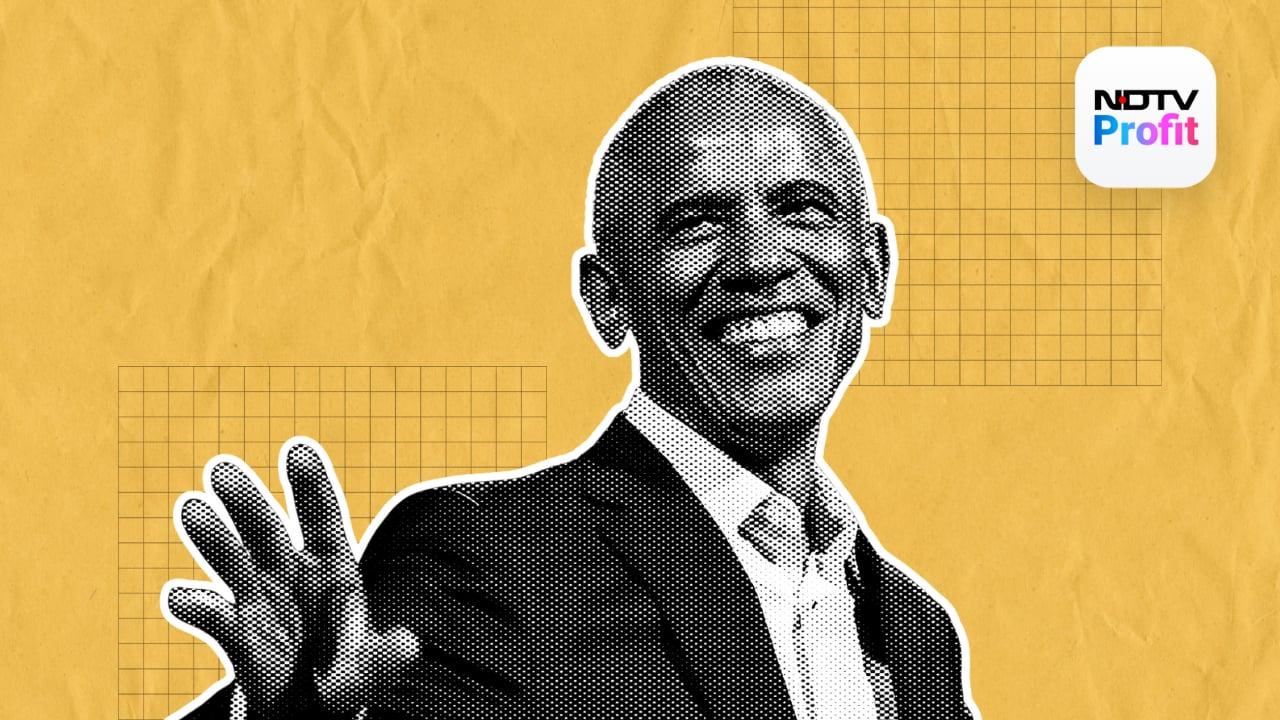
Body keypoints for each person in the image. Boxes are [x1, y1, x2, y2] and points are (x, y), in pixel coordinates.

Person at [163, 57, 979, 720]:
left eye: (803, 210)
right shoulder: (493, 555)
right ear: (607, 298)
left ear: (875, 272)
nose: (760, 260)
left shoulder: (917, 633)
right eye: (696, 224)